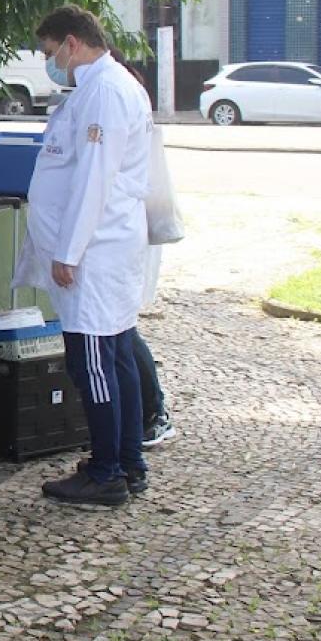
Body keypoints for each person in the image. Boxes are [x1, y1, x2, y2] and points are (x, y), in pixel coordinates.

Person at [17, 6, 152, 507]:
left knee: (94, 362)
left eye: (51, 53)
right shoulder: (100, 89)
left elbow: (93, 178)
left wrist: (68, 252)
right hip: (103, 247)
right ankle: (128, 462)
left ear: (72, 43)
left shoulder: (106, 92)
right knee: (116, 358)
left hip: (94, 252)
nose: (51, 63)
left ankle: (107, 472)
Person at [104, 47, 177, 448]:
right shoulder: (125, 95)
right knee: (121, 330)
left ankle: (153, 411)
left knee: (123, 329)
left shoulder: (120, 97)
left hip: (128, 226)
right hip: (126, 226)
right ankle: (137, 419)